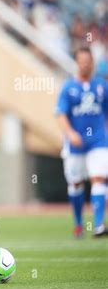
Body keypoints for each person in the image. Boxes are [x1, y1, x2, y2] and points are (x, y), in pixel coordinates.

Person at [55, 47, 108, 238]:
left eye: (88, 60)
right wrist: (71, 134)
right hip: (75, 145)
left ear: (93, 62)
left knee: (99, 178)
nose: (85, 64)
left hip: (98, 142)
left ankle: (99, 224)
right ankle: (78, 224)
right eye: (82, 61)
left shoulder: (102, 86)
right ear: (77, 63)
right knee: (76, 184)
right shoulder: (69, 88)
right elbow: (60, 115)